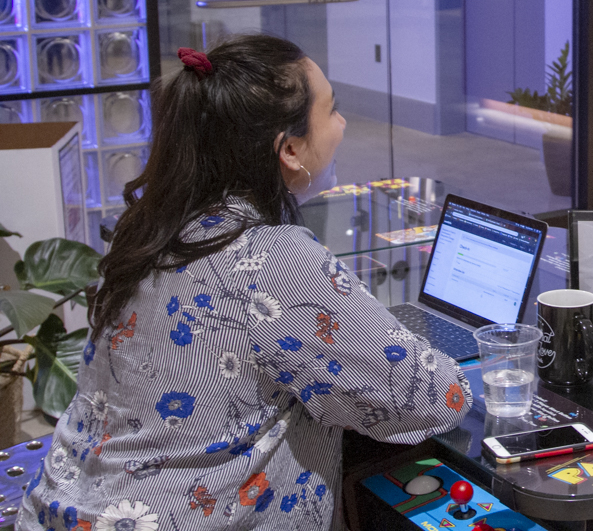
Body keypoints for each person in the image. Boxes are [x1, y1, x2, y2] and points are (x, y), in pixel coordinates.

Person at [18, 35, 472, 530]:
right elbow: (433, 397)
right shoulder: (271, 259)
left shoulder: (151, 229)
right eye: (333, 110)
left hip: (62, 509)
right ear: (291, 149)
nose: (342, 125)